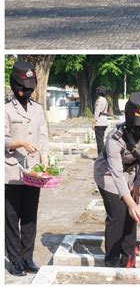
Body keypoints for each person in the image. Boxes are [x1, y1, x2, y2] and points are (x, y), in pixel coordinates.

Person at [94, 92, 140, 267]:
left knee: (131, 218)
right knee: (118, 214)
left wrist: (137, 185)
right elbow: (115, 173)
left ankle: (128, 260)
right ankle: (112, 261)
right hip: (107, 174)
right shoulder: (114, 138)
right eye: (137, 126)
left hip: (130, 173)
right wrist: (130, 202)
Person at [5, 61, 48, 276]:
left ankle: (27, 256)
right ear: (15, 86)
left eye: (30, 88)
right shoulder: (5, 110)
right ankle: (14, 260)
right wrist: (19, 143)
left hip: (33, 172)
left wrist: (46, 158)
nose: (26, 92)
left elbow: (43, 136)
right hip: (11, 172)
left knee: (30, 217)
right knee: (12, 218)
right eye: (23, 88)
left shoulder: (37, 109)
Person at [92, 86, 109, 156]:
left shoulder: (99, 100)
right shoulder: (105, 100)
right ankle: (102, 155)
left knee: (99, 141)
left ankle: (100, 156)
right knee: (101, 139)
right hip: (105, 121)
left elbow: (97, 112)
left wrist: (94, 122)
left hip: (99, 122)